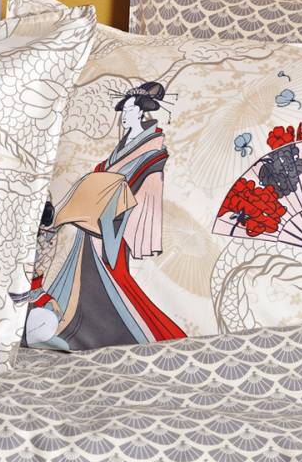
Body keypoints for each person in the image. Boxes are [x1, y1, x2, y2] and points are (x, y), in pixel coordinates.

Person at [26, 81, 185, 349]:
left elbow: (141, 179)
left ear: (141, 113)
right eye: (124, 111)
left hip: (115, 220)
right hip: (93, 220)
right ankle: (67, 320)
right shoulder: (123, 147)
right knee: (80, 270)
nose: (125, 116)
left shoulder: (152, 149)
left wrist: (109, 184)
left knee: (112, 279)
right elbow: (105, 174)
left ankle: (142, 333)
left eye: (130, 111)